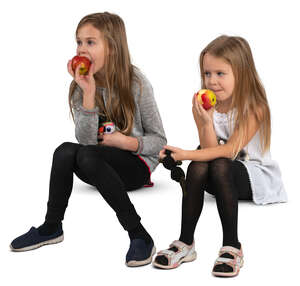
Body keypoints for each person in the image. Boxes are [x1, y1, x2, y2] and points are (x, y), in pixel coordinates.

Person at [10, 12, 167, 267]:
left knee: (86, 155)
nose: (82, 49)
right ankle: (52, 226)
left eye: (90, 42)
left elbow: (160, 142)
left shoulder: (137, 83)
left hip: (136, 166)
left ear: (113, 48)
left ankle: (139, 234)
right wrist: (89, 92)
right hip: (97, 163)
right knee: (64, 150)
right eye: (79, 42)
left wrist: (126, 142)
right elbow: (85, 142)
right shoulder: (80, 85)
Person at [153, 35, 287, 277]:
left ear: (241, 74)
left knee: (219, 164)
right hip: (220, 175)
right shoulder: (204, 104)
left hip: (253, 177)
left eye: (220, 74)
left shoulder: (255, 106)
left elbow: (230, 150)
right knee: (199, 167)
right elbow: (209, 149)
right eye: (207, 73)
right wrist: (205, 122)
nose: (212, 81)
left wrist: (184, 153)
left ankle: (232, 245)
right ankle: (185, 242)